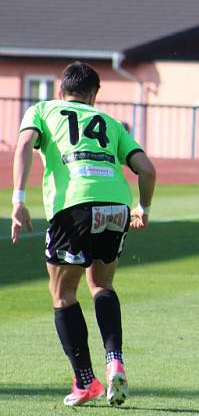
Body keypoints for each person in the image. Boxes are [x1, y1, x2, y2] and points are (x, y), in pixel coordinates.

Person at [10, 61, 157, 407]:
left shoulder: (43, 109)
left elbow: (23, 146)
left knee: (63, 294)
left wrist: (18, 200)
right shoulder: (109, 122)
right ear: (93, 96)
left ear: (61, 90)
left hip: (74, 205)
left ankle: (85, 381)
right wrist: (144, 209)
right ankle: (114, 359)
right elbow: (147, 170)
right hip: (116, 206)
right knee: (102, 285)